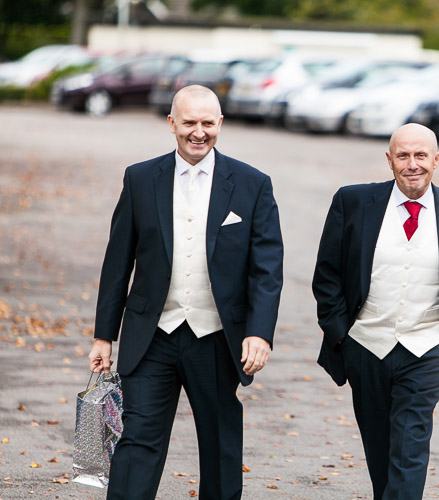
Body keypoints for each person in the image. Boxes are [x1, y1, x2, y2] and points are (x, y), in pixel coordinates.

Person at [87, 85, 283, 500]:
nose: (199, 132)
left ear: (220, 125)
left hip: (215, 338)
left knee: (220, 444)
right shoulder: (140, 178)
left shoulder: (253, 184)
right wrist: (105, 334)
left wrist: (260, 333)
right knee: (136, 440)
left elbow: (266, 270)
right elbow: (118, 260)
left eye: (208, 123)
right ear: (172, 123)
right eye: (189, 122)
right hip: (152, 334)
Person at [312, 123, 439, 500]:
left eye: (421, 155)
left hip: (430, 348)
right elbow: (327, 275)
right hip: (365, 345)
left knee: (410, 447)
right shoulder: (353, 202)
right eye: (404, 155)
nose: (413, 164)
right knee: (380, 453)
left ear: (436, 160)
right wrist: (342, 334)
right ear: (390, 160)